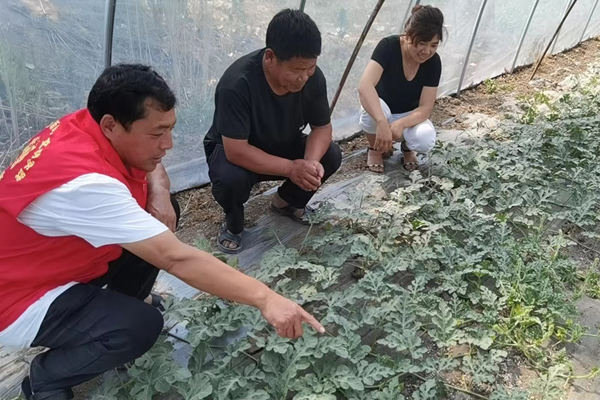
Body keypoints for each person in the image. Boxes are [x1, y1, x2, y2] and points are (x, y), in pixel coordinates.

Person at [0, 64, 324, 400]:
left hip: (48, 260)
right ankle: (47, 378)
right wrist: (266, 298)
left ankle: (121, 302)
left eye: (169, 130)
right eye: (157, 134)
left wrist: (156, 186)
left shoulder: (88, 124)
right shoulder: (87, 186)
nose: (167, 144)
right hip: (19, 298)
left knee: (159, 207)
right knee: (139, 327)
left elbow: (149, 168)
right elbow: (175, 257)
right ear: (111, 125)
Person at [204, 9, 342, 254]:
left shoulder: (313, 78)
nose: (303, 77)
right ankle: (234, 223)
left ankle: (287, 203)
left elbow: (322, 127)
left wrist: (308, 163)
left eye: (310, 68)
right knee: (230, 179)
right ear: (270, 57)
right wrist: (291, 168)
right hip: (239, 152)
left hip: (283, 142)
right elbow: (236, 151)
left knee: (329, 154)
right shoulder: (237, 84)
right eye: (297, 70)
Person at [358, 5, 444, 173]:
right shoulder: (388, 47)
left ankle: (406, 148)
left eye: (434, 45)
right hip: (382, 112)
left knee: (425, 139)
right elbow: (365, 86)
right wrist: (382, 123)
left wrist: (402, 123)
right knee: (370, 111)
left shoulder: (434, 62)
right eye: (422, 44)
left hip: (409, 116)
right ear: (408, 35)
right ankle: (374, 148)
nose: (427, 51)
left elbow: (426, 107)